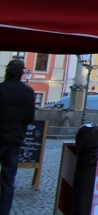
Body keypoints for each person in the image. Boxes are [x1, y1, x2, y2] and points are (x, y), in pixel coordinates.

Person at [0, 59, 35, 215]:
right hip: (14, 138)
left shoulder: (1, 89)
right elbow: (30, 117)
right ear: (22, 73)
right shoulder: (28, 92)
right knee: (8, 180)